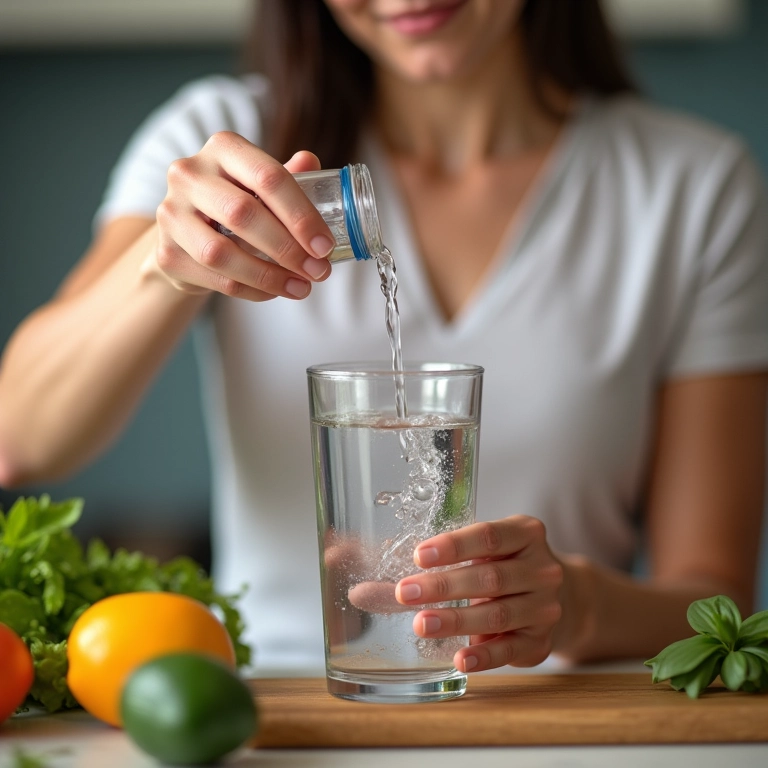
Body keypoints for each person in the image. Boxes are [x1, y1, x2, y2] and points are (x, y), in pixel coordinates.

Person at [0, 0, 766, 674]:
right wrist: (162, 270)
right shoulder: (226, 146)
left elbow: (712, 603)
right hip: (284, 717)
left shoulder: (691, 190)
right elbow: (21, 436)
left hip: (556, 714)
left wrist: (579, 607)